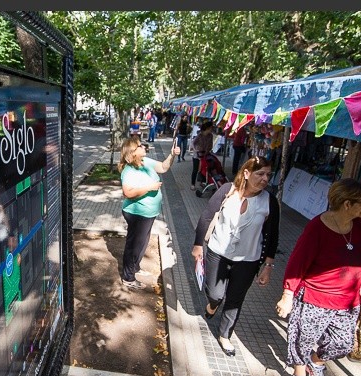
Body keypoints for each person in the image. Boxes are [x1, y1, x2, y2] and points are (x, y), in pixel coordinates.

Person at [275, 177, 361, 376]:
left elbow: (358, 260)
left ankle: (316, 362)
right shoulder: (317, 228)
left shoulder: (357, 226)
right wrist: (288, 295)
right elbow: (297, 263)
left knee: (343, 343)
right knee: (302, 339)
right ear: (347, 204)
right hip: (314, 297)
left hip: (347, 301)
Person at [191, 156, 280, 356]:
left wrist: (268, 265)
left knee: (235, 298)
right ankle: (212, 305)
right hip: (218, 252)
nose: (265, 179)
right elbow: (206, 216)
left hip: (248, 260)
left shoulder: (269, 202)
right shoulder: (227, 190)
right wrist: (198, 245)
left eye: (268, 175)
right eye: (260, 174)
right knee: (215, 294)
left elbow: (273, 235)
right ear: (247, 174)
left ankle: (225, 335)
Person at [118, 135, 180, 289]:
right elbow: (127, 193)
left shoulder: (145, 162)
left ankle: (135, 267)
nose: (144, 147)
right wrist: (149, 188)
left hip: (148, 213)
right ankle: (128, 277)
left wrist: (172, 154)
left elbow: (164, 167)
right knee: (134, 245)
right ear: (133, 152)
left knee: (143, 242)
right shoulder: (128, 170)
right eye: (140, 146)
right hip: (137, 213)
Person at [190, 123, 213, 190]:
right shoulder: (199, 135)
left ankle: (203, 182)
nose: (211, 129)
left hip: (205, 155)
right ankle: (193, 184)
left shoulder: (210, 136)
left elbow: (211, 144)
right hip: (197, 155)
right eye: (210, 128)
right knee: (195, 169)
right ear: (207, 128)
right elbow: (193, 143)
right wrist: (196, 150)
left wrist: (208, 150)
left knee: (205, 169)